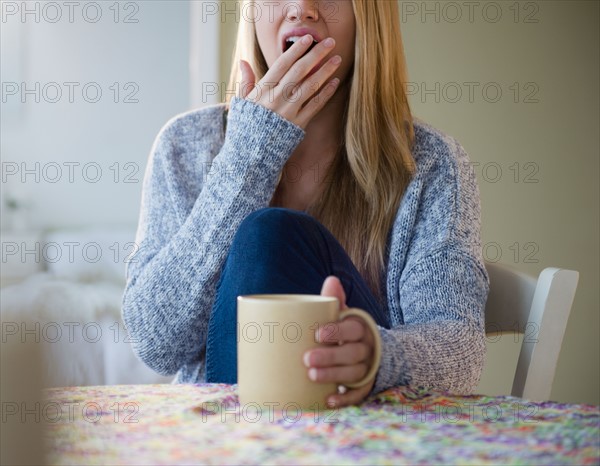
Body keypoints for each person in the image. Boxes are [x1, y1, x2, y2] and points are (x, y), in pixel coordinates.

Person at [122, 0, 489, 409]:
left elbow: (460, 348)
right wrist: (251, 153)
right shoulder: (185, 145)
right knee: (268, 233)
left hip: (362, 437)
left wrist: (377, 355)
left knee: (273, 235)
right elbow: (155, 343)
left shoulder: (429, 164)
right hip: (219, 440)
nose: (301, 8)